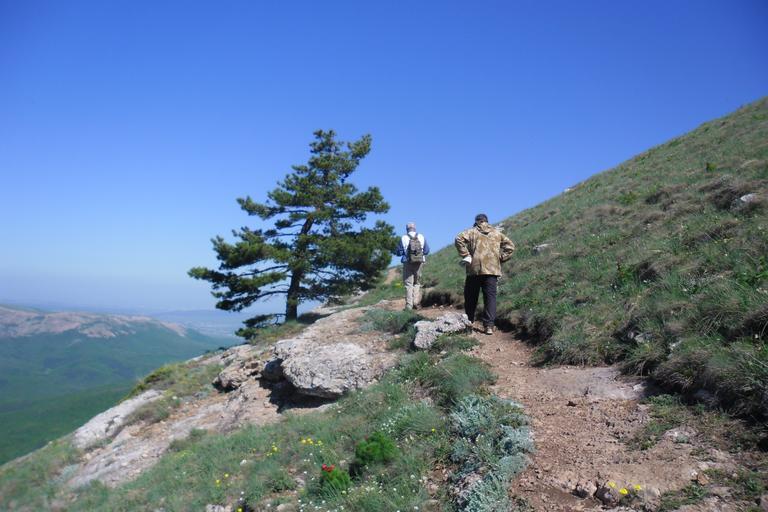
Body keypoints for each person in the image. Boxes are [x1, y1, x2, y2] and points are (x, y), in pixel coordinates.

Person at [454, 213, 515, 334]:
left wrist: (466, 255)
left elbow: (458, 239)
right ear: (487, 221)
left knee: (471, 297)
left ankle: (469, 323)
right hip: (492, 270)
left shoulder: (471, 232)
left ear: (477, 221)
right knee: (490, 298)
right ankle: (489, 326)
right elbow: (511, 247)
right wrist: (500, 258)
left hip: (474, 270)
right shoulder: (497, 233)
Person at [394, 222, 430, 310]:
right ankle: (416, 302)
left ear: (407, 229)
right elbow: (426, 251)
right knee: (417, 283)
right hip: (419, 262)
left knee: (408, 284)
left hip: (408, 262)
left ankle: (409, 305)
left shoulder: (403, 238)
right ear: (415, 228)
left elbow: (398, 252)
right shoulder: (421, 236)